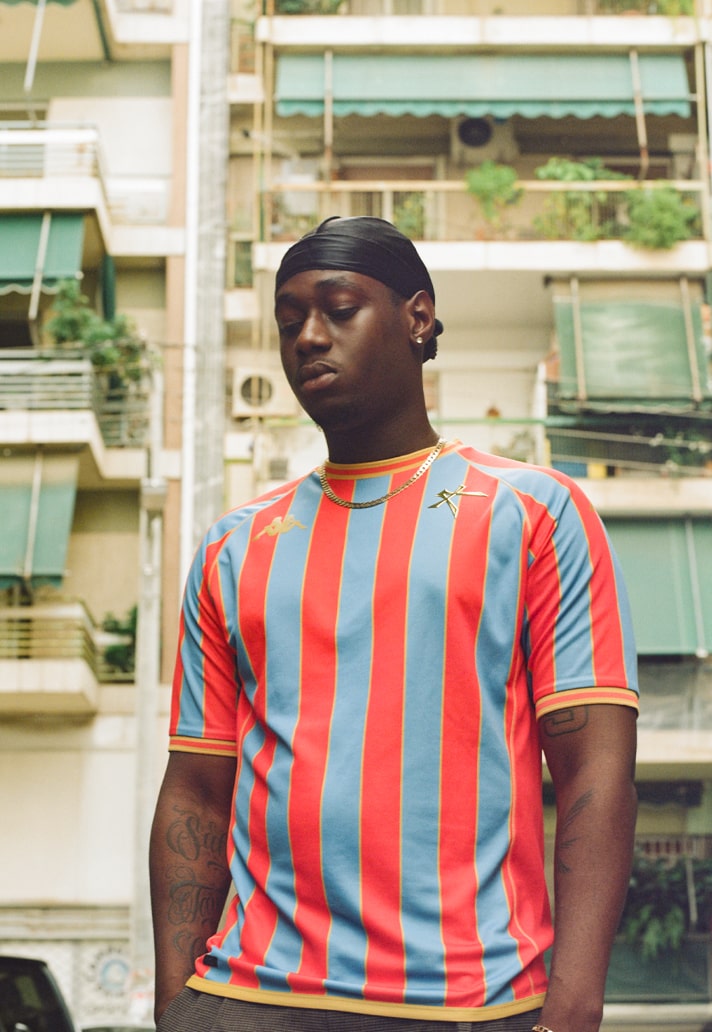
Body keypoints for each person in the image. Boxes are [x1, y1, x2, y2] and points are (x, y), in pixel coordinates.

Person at [150, 216, 639, 1032]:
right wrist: (177, 1006)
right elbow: (197, 789)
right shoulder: (234, 545)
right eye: (289, 321)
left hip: (469, 1002)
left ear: (418, 318)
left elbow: (596, 767)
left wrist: (573, 1009)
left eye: (339, 309)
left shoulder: (531, 511)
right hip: (246, 1001)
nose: (309, 337)